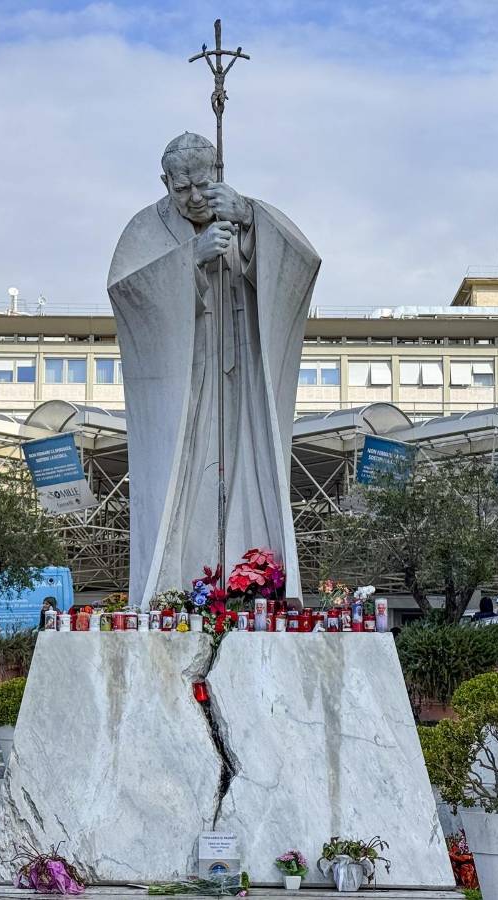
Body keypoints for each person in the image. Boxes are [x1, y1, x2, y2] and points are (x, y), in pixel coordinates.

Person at [107, 133, 321, 604]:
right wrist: (189, 260)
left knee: (248, 462)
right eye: (181, 189)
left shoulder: (248, 212)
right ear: (165, 182)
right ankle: (174, 592)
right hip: (183, 382)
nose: (196, 198)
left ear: (218, 170)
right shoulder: (144, 229)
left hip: (241, 375)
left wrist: (249, 226)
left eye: (203, 184)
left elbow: (303, 265)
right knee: (184, 480)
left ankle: (251, 583)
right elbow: (127, 293)